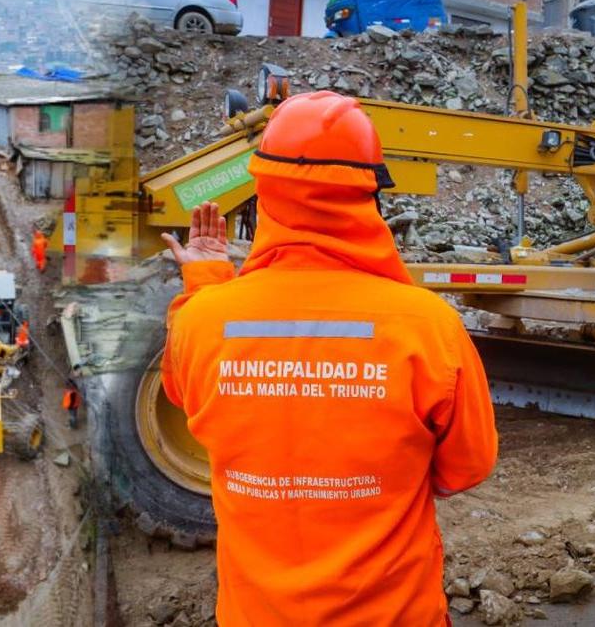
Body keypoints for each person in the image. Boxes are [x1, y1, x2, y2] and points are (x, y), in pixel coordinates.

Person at [160, 91, 498, 626]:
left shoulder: (202, 321)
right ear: (369, 197)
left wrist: (205, 282)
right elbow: (467, 467)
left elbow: (184, 396)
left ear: (263, 192)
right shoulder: (428, 326)